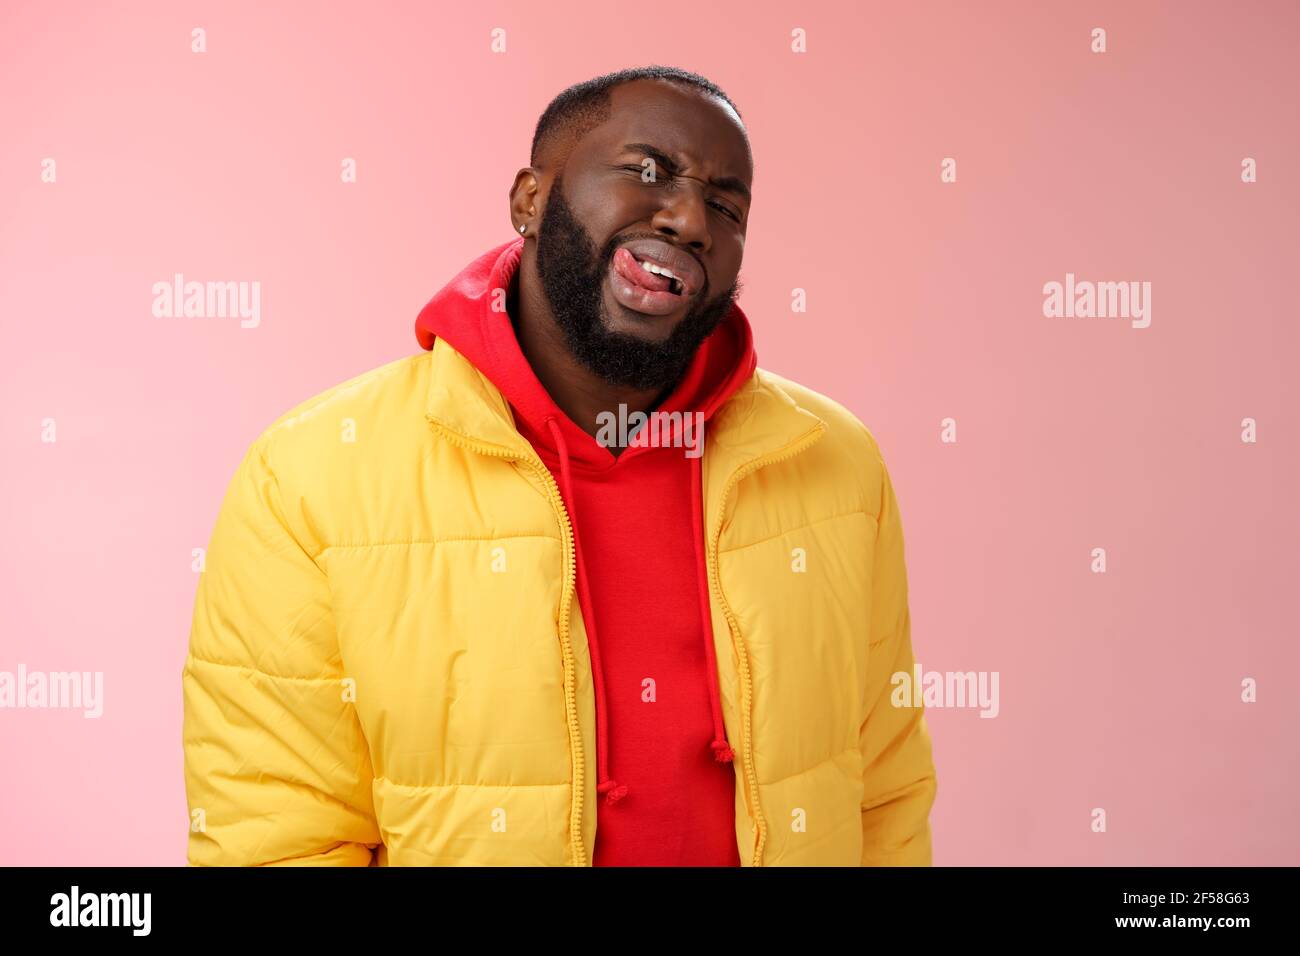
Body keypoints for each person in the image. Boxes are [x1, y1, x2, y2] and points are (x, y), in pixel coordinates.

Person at [181, 64, 937, 867]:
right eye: (649, 172)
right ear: (530, 201)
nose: (689, 219)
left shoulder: (833, 462)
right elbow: (277, 837)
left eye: (726, 205)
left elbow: (884, 791)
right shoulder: (309, 476)